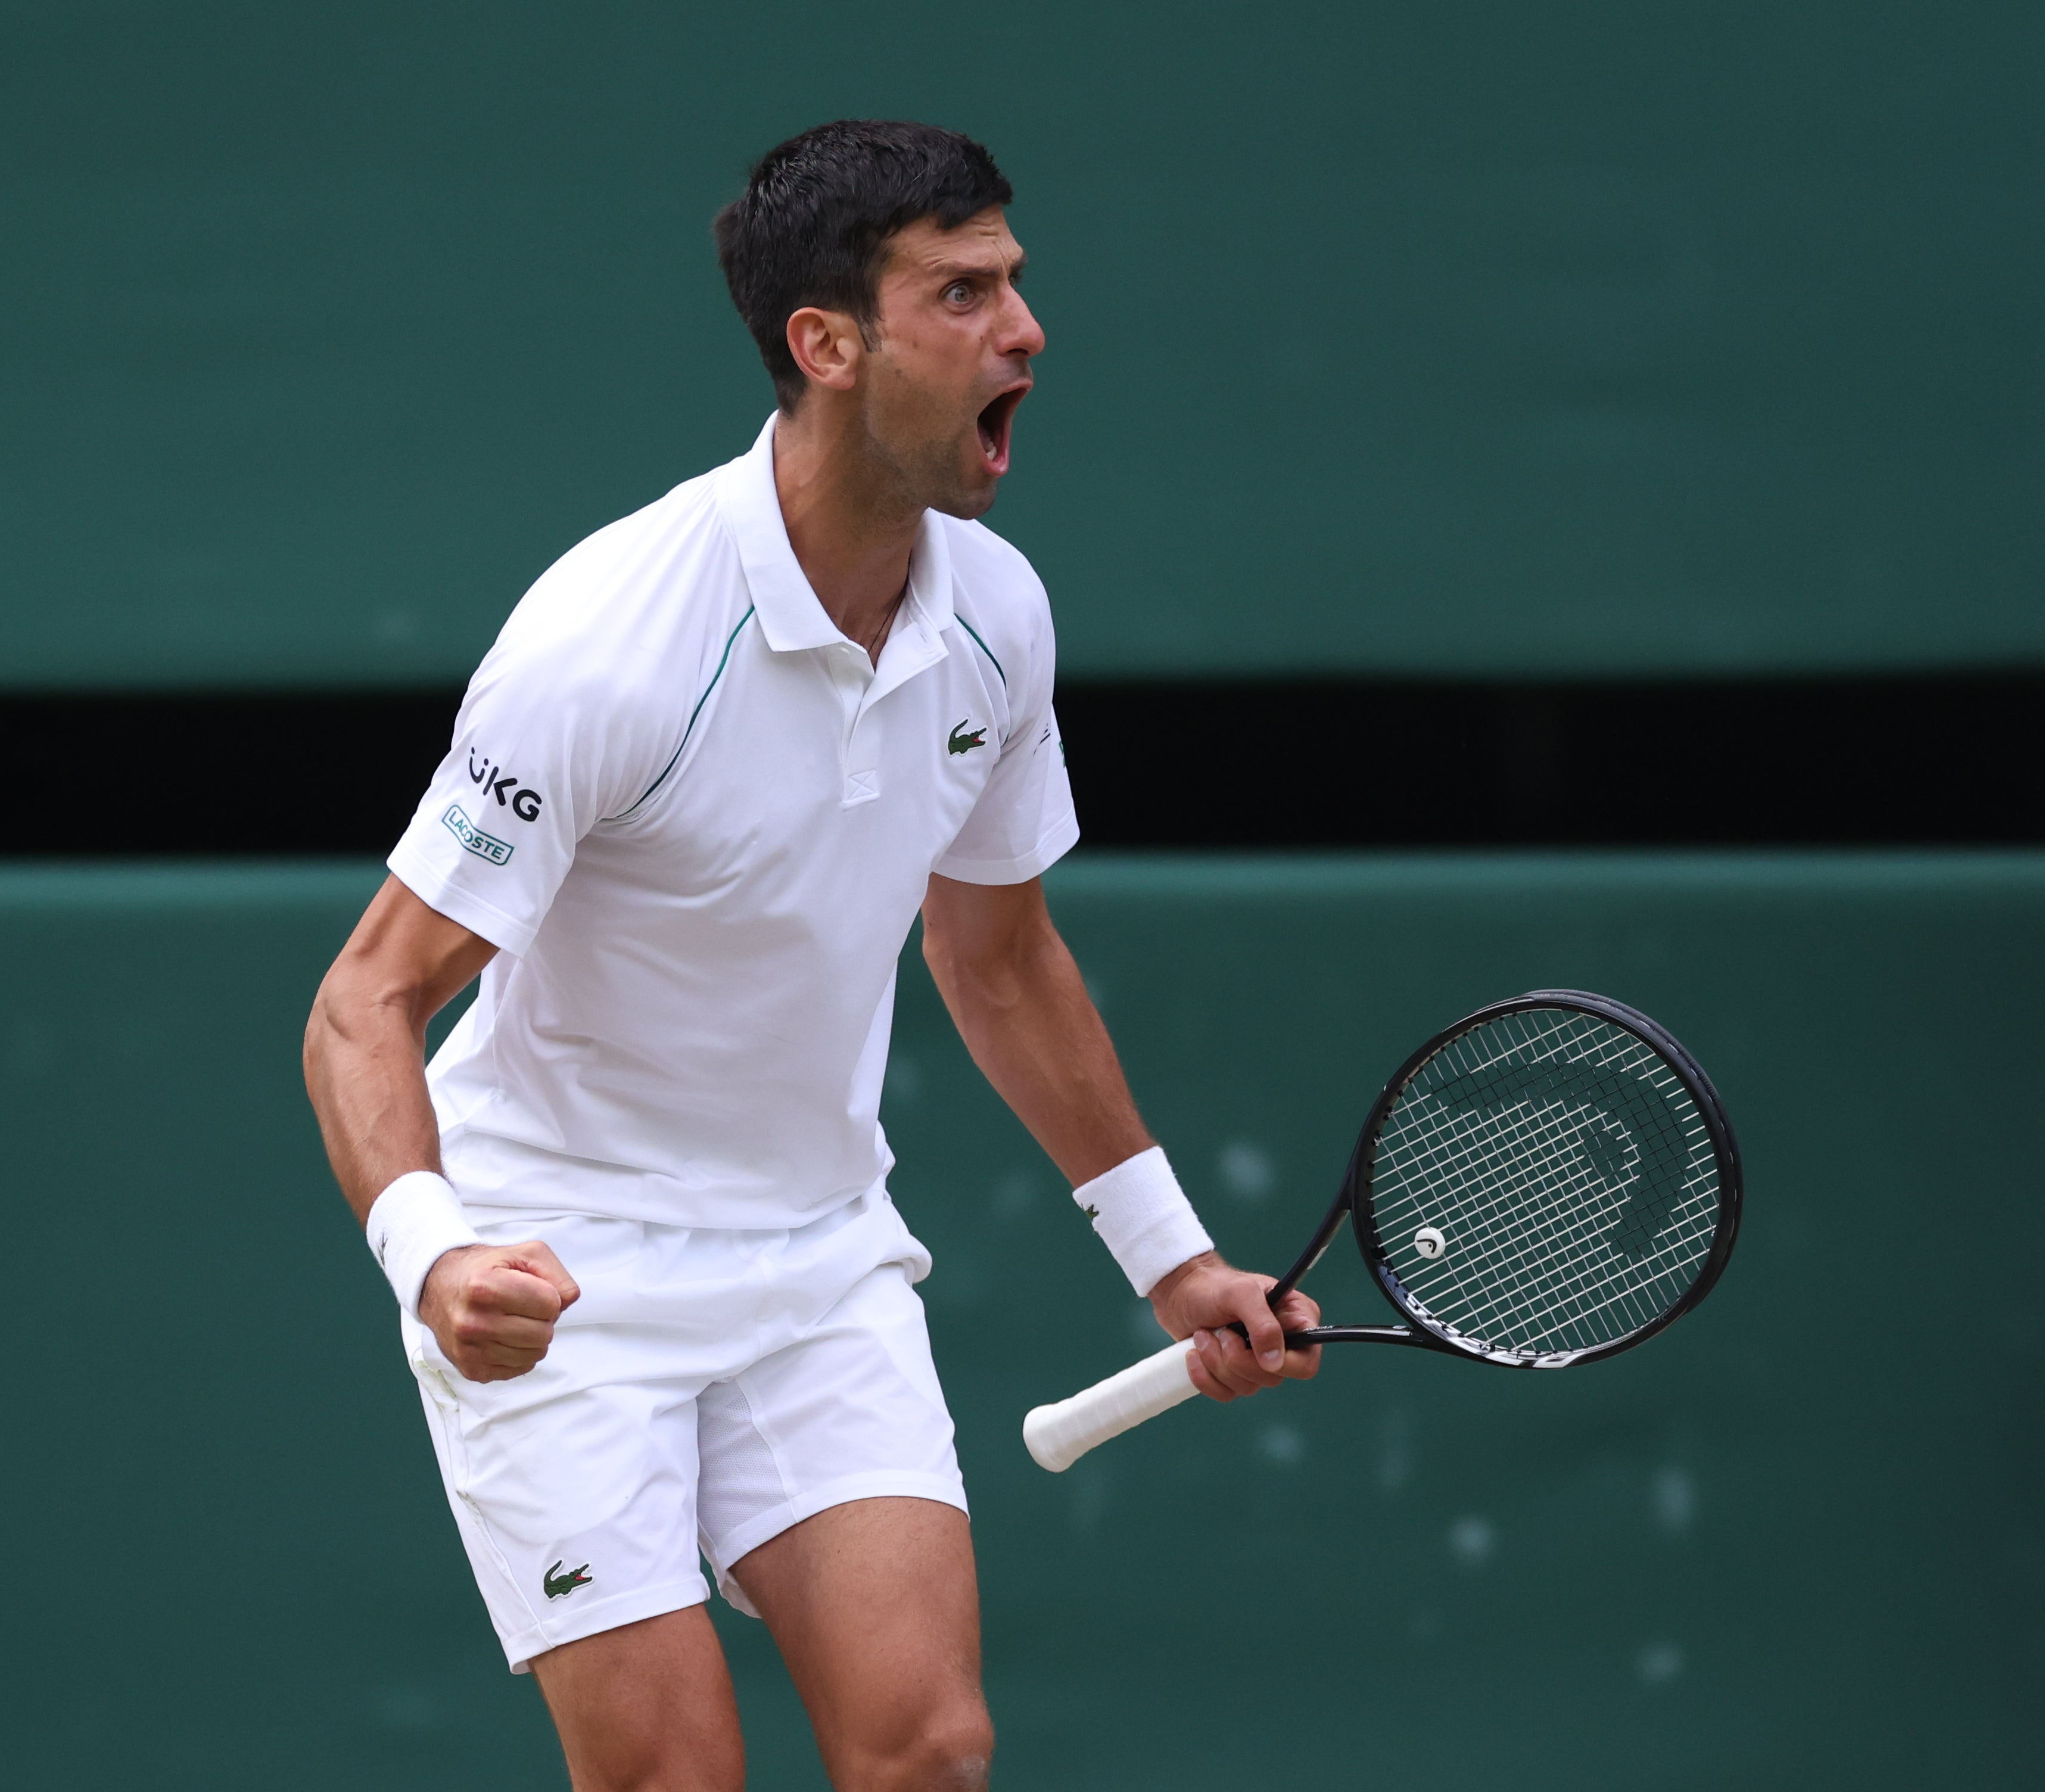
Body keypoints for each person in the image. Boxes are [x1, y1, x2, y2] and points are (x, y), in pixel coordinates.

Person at [303, 119, 1321, 1792]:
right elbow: (368, 999)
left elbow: (997, 959)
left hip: (817, 1263)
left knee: (928, 1752)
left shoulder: (998, 614)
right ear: (828, 345)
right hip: (562, 1276)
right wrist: (434, 1258)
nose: (1026, 329)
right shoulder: (607, 642)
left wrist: (1174, 1261)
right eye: (963, 290)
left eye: (1017, 281)